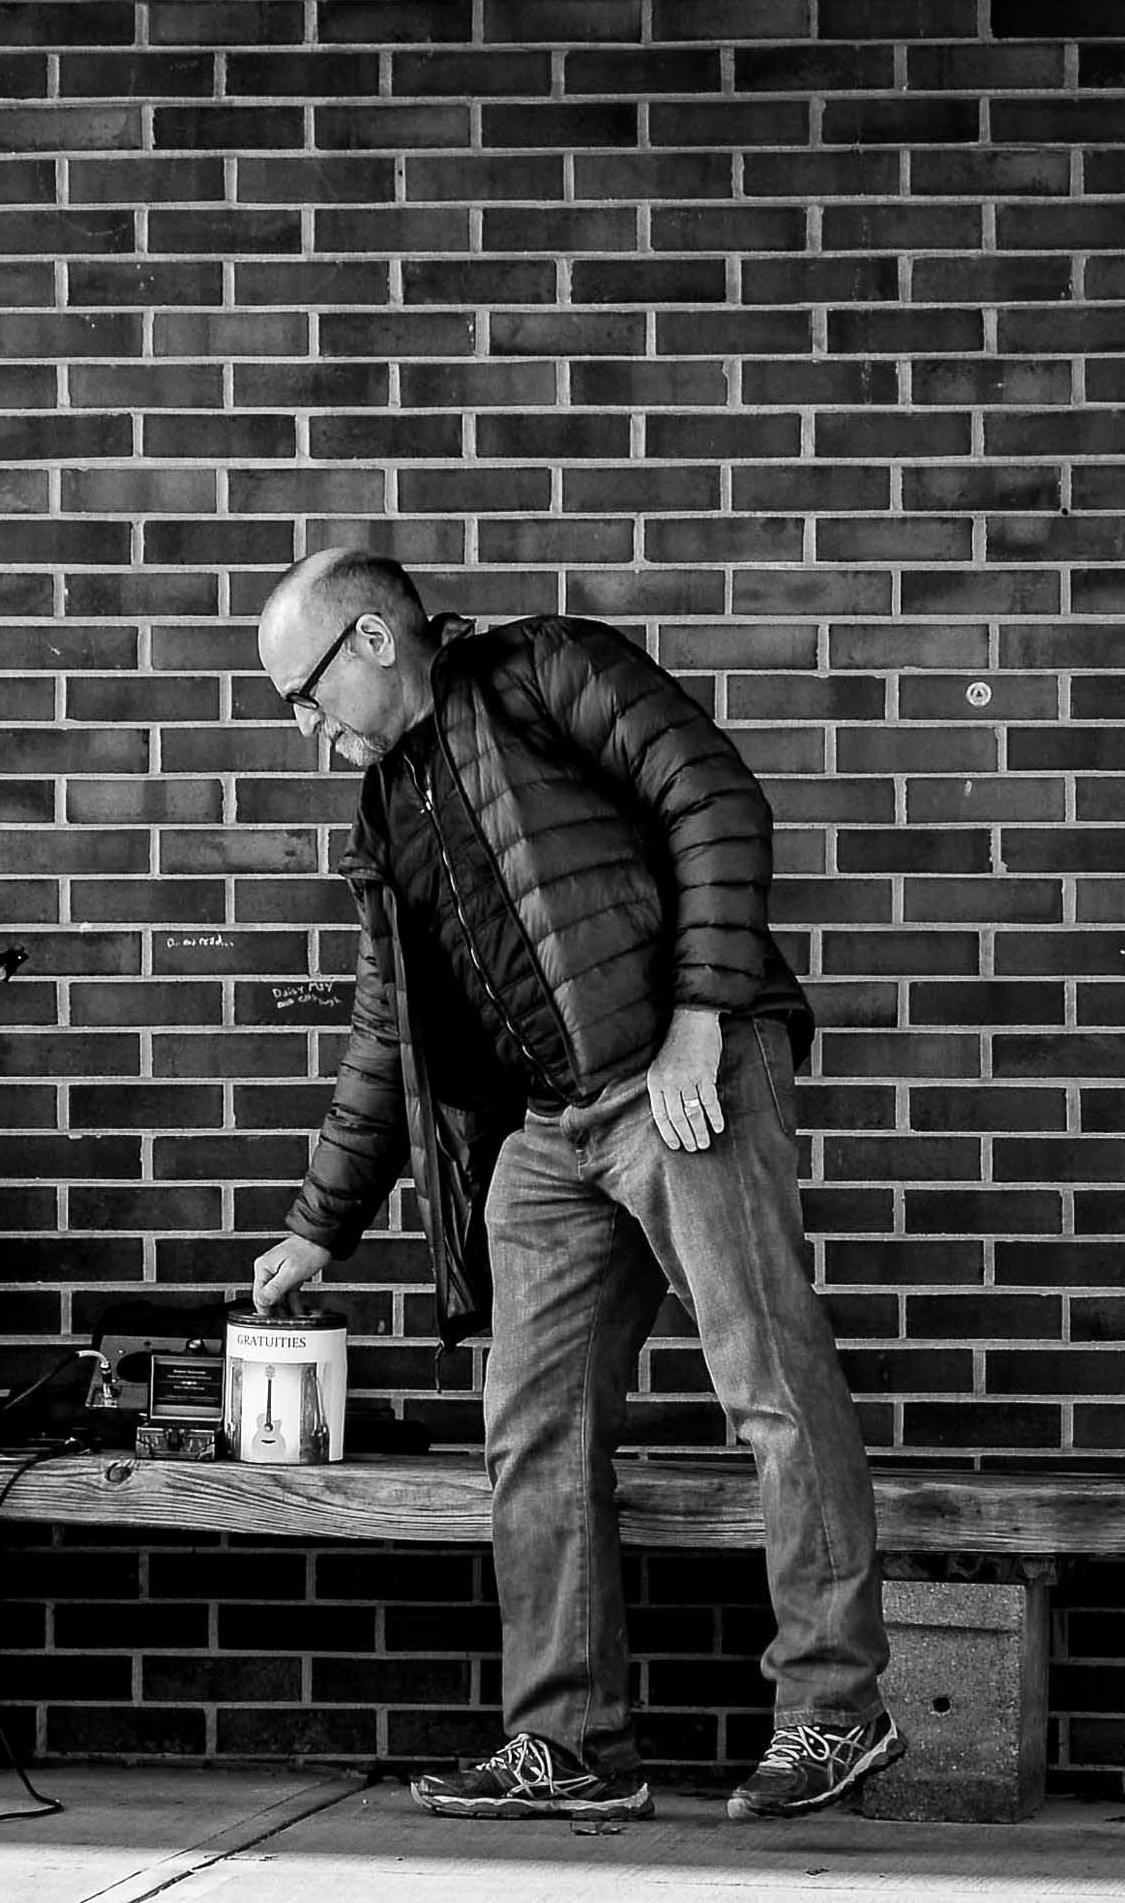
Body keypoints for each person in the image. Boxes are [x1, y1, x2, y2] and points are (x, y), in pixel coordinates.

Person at [248, 550, 902, 1824]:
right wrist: (317, 1225)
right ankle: (569, 1740)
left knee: (763, 1380)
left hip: (681, 1076)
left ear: (374, 641)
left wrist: (701, 1017)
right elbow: (388, 1029)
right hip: (553, 1130)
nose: (306, 725)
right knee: (531, 1421)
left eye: (305, 693)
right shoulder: (383, 814)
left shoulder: (545, 671)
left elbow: (711, 796)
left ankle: (835, 1710)